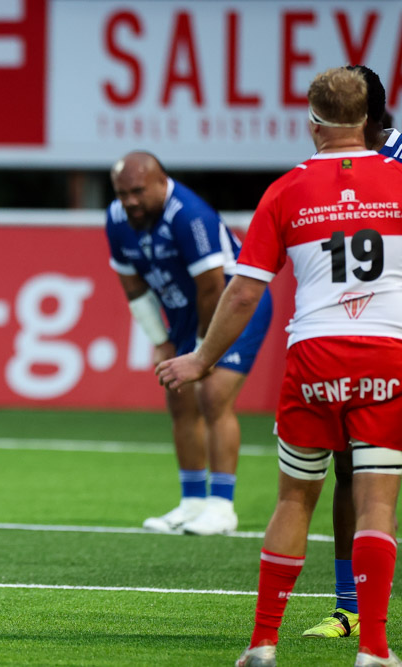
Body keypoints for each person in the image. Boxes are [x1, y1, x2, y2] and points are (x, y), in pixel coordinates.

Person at [157, 66, 402, 667]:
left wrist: (200, 359)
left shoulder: (287, 189)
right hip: (387, 353)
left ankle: (263, 643)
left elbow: (242, 292)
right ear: (371, 121)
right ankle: (373, 648)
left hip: (315, 355)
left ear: (312, 123)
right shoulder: (399, 180)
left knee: (294, 500)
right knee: (376, 504)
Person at [105, 152, 273, 535]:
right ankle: (193, 501)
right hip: (187, 311)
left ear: (162, 182)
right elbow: (132, 287)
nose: (129, 201)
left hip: (233, 306)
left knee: (212, 394)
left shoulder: (189, 215)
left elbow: (213, 288)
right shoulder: (117, 218)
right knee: (179, 397)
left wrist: (201, 354)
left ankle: (222, 505)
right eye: (122, 193)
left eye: (137, 192)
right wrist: (161, 341)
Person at [300, 63, 397, 641]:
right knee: (351, 469)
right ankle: (350, 606)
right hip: (355, 339)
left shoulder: (393, 165)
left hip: (389, 333)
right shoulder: (334, 169)